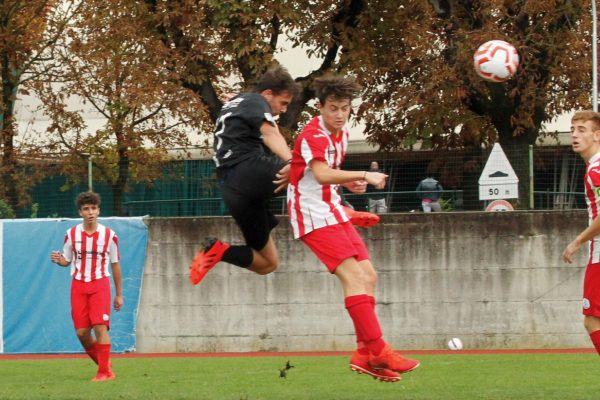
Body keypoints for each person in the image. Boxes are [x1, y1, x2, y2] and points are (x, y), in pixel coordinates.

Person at [287, 75, 419, 382]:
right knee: (354, 276)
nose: (339, 114)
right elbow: (319, 174)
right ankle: (379, 350)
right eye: (333, 108)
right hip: (311, 214)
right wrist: (364, 174)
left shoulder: (342, 132)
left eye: (344, 108)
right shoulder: (313, 135)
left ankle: (363, 354)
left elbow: (326, 174)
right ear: (319, 107)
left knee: (369, 275)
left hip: (331, 209)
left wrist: (350, 182)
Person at [188, 66, 301, 285]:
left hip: (232, 189)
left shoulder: (239, 102)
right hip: (245, 168)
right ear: (268, 94)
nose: (284, 110)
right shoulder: (256, 101)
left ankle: (218, 251)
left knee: (268, 263)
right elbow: (270, 132)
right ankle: (340, 207)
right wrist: (291, 162)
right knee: (306, 171)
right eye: (283, 103)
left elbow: (240, 106)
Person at [50, 191, 122, 382]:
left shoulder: (109, 235)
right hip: (78, 285)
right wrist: (59, 260)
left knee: (100, 327)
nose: (90, 212)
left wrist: (119, 295)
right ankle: (105, 365)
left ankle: (103, 372)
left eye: (93, 208)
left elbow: (115, 264)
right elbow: (67, 260)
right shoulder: (71, 234)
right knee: (82, 332)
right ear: (80, 212)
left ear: (98, 210)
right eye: (86, 209)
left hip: (100, 284)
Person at [562, 110, 600, 355]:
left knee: (592, 321)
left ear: (597, 135)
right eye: (572, 129)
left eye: (582, 130)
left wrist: (576, 241)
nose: (574, 135)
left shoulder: (595, 170)